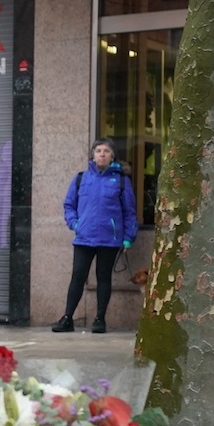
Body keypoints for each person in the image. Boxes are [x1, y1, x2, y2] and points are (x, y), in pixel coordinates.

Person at [52, 139, 137, 334]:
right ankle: (67, 318)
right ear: (93, 155)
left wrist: (128, 238)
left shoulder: (122, 181)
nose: (102, 154)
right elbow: (69, 205)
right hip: (84, 237)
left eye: (106, 151)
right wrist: (75, 223)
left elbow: (129, 212)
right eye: (98, 150)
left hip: (109, 239)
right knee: (77, 277)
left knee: (103, 278)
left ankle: (100, 319)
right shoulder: (81, 178)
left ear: (112, 156)